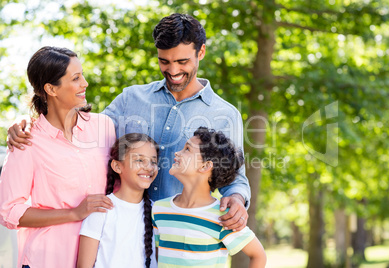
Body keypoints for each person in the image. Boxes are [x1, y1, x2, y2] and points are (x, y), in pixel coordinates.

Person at [7, 13, 250, 231]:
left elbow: (234, 178)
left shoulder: (225, 115)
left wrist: (237, 199)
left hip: (181, 232)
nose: (173, 70)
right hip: (123, 232)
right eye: (164, 61)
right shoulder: (131, 98)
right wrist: (28, 121)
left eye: (182, 62)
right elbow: (79, 125)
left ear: (201, 52)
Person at [0, 46, 116, 268]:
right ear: (51, 89)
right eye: (76, 78)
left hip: (100, 258)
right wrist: (74, 213)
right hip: (47, 259)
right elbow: (9, 211)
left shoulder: (104, 127)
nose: (85, 83)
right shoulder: (27, 141)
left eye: (82, 75)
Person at [152, 127, 266, 267]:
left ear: (205, 166)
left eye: (187, 149)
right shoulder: (158, 209)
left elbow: (258, 255)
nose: (177, 153)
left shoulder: (224, 217)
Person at [77, 133, 158, 268]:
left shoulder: (158, 212)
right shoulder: (101, 208)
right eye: (139, 160)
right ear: (117, 166)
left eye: (153, 161)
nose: (149, 167)